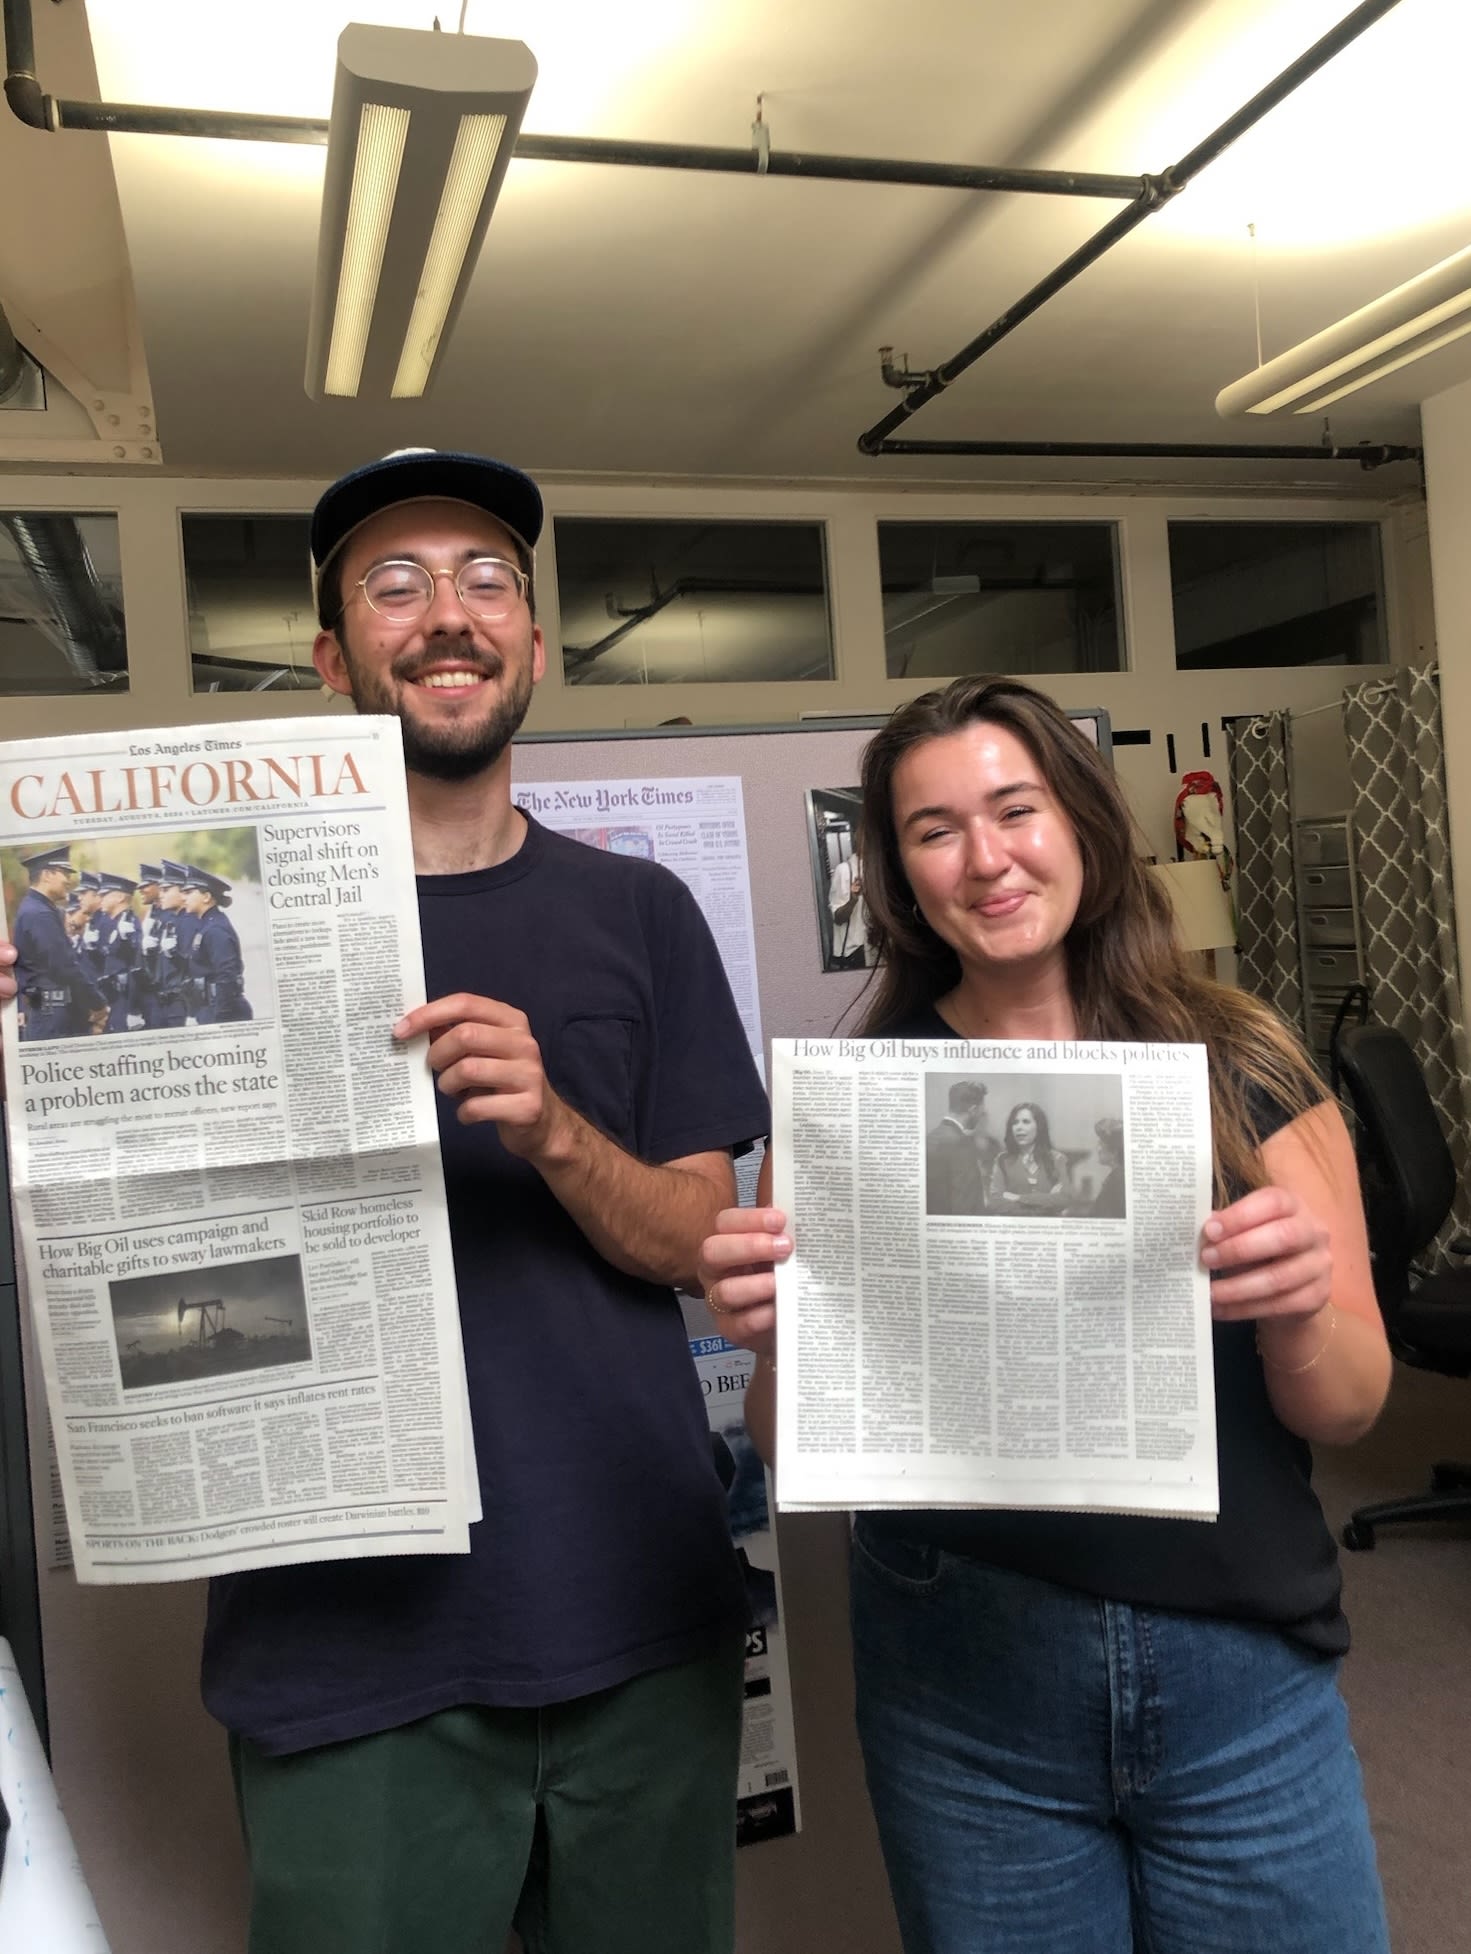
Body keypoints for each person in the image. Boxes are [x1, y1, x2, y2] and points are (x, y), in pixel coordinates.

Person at [0, 448, 767, 1954]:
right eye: (394, 586)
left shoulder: (639, 910)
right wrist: (44, 1043)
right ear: (333, 655)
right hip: (342, 1647)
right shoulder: (207, 927)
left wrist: (554, 1129)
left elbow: (700, 1239)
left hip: (630, 1610)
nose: (448, 615)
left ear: (532, 641)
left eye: (487, 581)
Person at [697, 675, 1392, 1954]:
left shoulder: (1240, 1062)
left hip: (1241, 1668)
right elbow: (799, 1448)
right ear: (898, 877)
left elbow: (1351, 1403)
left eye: (1015, 809)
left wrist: (1296, 1314)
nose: (986, 858)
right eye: (935, 830)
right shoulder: (852, 1107)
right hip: (966, 1688)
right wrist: (784, 1343)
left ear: (1081, 822)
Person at [11, 846, 105, 1040]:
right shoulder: (40, 913)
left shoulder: (37, 908)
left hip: (50, 1010)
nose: (68, 880)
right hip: (53, 1014)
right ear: (47, 875)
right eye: (65, 874)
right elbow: (63, 966)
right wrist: (97, 1002)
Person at [181, 866, 253, 1022]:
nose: (183, 898)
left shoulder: (215, 929)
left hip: (223, 1012)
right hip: (209, 1007)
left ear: (206, 897)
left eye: (189, 893)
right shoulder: (207, 925)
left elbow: (227, 976)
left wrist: (220, 1018)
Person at [989, 1099, 1069, 1213]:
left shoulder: (1057, 1159)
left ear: (1039, 1126)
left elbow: (1063, 1199)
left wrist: (1018, 1198)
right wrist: (1045, 1203)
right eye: (1015, 1122)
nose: (1019, 1127)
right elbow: (996, 1203)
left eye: (1026, 1122)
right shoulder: (1002, 1160)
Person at [925, 1079, 992, 1214]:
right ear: (973, 1110)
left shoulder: (929, 1137)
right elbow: (966, 1203)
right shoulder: (962, 1144)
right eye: (981, 1110)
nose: (981, 1115)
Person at [828, 846, 870, 968]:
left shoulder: (878, 869)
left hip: (875, 948)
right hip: (854, 951)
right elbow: (838, 918)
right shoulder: (844, 871)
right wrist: (853, 900)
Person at [1092, 1115, 1127, 1218]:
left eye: (1100, 1144)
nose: (1098, 1149)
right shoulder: (1118, 1176)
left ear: (1114, 1152)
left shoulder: (1117, 1179)